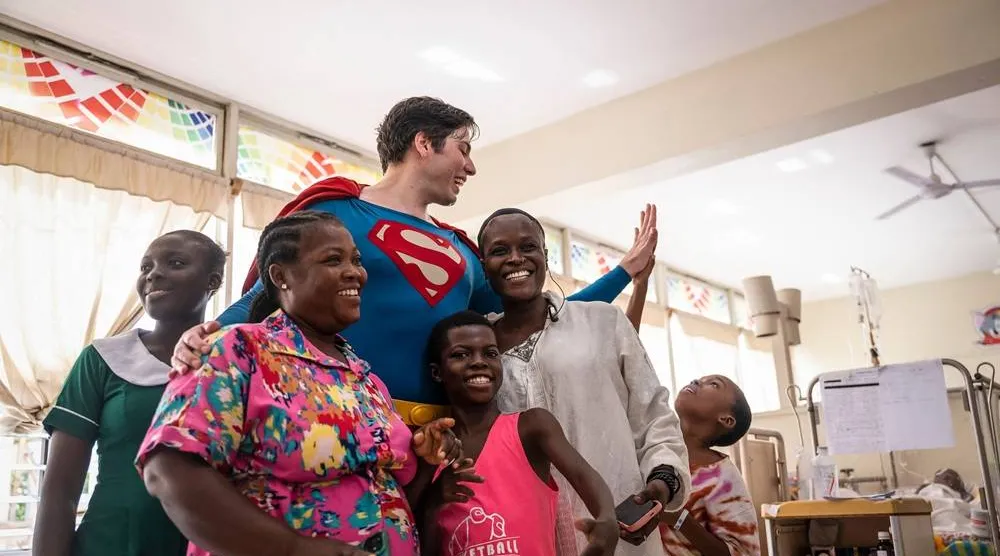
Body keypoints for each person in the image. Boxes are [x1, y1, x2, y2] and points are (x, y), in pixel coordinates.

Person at [169, 97, 657, 427]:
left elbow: (539, 316)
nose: (471, 166)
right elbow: (263, 300)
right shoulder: (335, 212)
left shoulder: (464, 251)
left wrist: (624, 273)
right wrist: (206, 334)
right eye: (463, 150)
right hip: (325, 421)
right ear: (425, 144)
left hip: (436, 440)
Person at [136, 212, 457, 556]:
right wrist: (294, 549)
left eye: (356, 260)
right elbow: (169, 469)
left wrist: (427, 459)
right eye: (334, 260)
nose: (355, 272)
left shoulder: (367, 380)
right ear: (280, 276)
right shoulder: (237, 350)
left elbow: (384, 491)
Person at [476, 207, 690, 555]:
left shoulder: (602, 323)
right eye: (500, 251)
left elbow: (654, 415)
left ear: (545, 257)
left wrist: (663, 480)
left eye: (528, 247)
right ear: (484, 266)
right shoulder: (478, 352)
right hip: (526, 536)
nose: (516, 259)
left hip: (621, 528)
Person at [33, 230, 225, 556]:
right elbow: (60, 491)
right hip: (111, 545)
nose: (154, 274)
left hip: (214, 545)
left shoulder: (236, 361)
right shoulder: (105, 359)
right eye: (145, 266)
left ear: (213, 281)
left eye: (175, 263)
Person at [421, 310, 619, 555]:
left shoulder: (531, 426)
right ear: (437, 372)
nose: (479, 361)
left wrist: (607, 519)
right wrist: (434, 501)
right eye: (461, 354)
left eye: (491, 353)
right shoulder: (432, 450)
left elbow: (582, 475)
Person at [659, 375, 759, 556]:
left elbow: (741, 552)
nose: (696, 381)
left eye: (713, 384)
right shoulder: (654, 452)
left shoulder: (723, 477)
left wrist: (679, 518)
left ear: (726, 419)